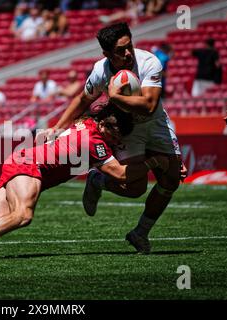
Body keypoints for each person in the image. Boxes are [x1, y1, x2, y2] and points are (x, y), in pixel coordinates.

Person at [0, 107, 170, 260]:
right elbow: (121, 175)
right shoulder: (94, 140)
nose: (118, 140)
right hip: (30, 166)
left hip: (21, 159)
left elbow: (90, 105)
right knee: (23, 215)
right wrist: (153, 163)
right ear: (105, 126)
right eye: (117, 134)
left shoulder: (87, 124)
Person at [39, 22, 187, 254]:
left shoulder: (149, 62)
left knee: (171, 180)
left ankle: (140, 233)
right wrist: (58, 126)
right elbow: (83, 99)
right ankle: (97, 180)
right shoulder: (101, 70)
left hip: (156, 124)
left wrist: (115, 97)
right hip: (128, 130)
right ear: (107, 54)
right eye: (120, 50)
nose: (128, 53)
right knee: (135, 187)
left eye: (129, 46)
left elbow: (148, 106)